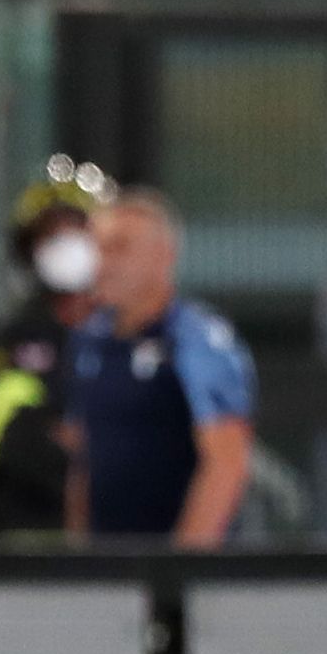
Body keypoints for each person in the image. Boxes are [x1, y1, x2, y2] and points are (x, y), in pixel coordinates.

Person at [66, 189, 255, 549]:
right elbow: (85, 458)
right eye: (98, 248)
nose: (104, 263)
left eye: (120, 248)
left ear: (164, 256)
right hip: (108, 571)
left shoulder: (197, 342)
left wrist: (177, 573)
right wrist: (80, 557)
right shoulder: (89, 340)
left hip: (181, 577)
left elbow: (227, 464)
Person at [0, 155, 105, 537]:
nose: (66, 245)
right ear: (29, 249)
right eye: (51, 234)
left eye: (78, 230)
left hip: (121, 541)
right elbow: (9, 442)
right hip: (26, 538)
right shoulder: (2, 344)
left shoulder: (135, 337)